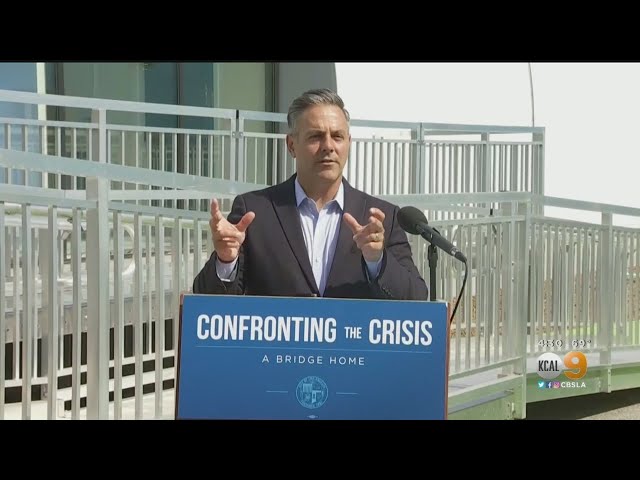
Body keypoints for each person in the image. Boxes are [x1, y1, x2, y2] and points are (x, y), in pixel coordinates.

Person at [193, 88, 428, 300]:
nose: (328, 146)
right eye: (315, 136)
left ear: (348, 143)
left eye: (337, 136)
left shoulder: (382, 217)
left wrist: (377, 260)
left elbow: (416, 298)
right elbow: (206, 303)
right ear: (291, 145)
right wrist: (226, 260)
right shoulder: (254, 211)